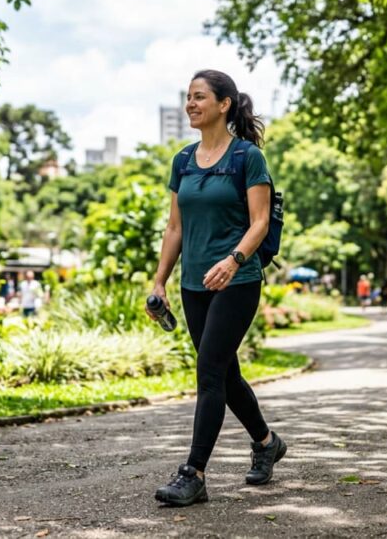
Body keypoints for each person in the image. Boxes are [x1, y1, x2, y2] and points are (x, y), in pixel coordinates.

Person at [147, 69, 286, 507]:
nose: (191, 103)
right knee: (224, 373)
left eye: (199, 96)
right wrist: (160, 281)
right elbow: (174, 227)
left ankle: (194, 474)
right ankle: (266, 443)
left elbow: (260, 222)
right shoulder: (183, 160)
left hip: (237, 279)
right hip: (194, 283)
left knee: (208, 372)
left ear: (224, 104)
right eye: (188, 97)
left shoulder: (247, 158)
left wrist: (234, 260)